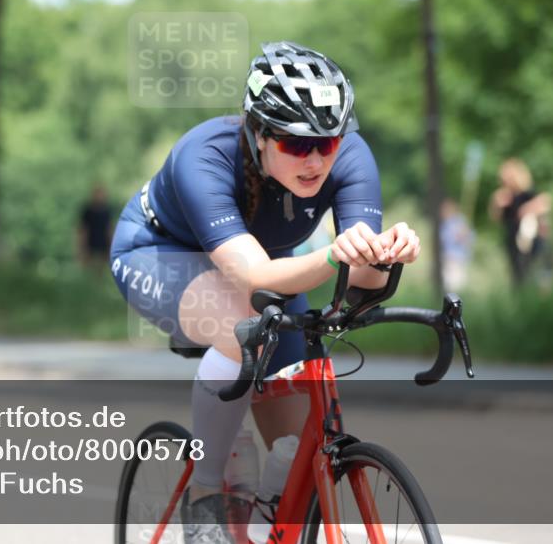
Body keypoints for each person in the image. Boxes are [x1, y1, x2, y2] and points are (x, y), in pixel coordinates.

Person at [109, 42, 420, 543]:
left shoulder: (351, 158)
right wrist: (336, 256)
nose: (316, 159)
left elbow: (361, 283)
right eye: (297, 145)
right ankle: (206, 499)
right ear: (257, 133)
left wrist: (385, 255)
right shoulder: (205, 155)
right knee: (241, 323)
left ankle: (265, 520)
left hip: (274, 270)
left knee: (299, 449)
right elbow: (253, 278)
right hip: (160, 254)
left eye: (330, 141)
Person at [488, 158, 552, 286]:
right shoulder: (505, 196)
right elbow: (495, 218)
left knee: (534, 272)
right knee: (518, 276)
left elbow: (545, 202)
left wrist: (527, 209)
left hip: (532, 241)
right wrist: (496, 204)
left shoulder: (527, 193)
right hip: (513, 241)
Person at [440, 198, 474, 292]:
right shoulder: (445, 224)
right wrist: (457, 236)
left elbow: (471, 239)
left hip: (460, 259)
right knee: (449, 285)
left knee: (458, 286)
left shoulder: (462, 221)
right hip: (449, 259)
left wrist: (465, 235)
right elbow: (444, 239)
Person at [78, 184, 112, 271]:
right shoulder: (87, 211)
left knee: (101, 268)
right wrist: (81, 246)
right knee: (88, 267)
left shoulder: (106, 211)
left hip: (103, 242)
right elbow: (83, 229)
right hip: (89, 242)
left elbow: (109, 229)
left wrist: (110, 244)